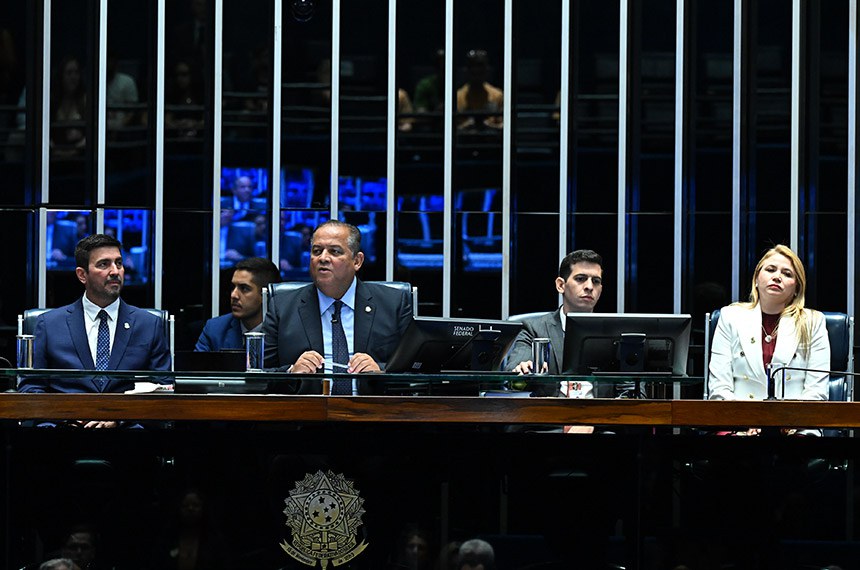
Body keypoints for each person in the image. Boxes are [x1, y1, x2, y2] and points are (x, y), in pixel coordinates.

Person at [262, 220, 413, 393]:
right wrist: (291, 372)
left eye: (334, 251)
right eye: (317, 251)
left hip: (372, 407)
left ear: (357, 261)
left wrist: (381, 372)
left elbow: (415, 371)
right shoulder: (282, 306)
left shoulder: (393, 303)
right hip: (307, 407)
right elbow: (257, 374)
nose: (323, 258)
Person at [19, 234, 172, 397]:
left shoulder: (149, 325)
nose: (115, 271)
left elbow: (164, 388)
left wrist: (123, 413)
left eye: (119, 263)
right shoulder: (49, 325)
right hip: (67, 413)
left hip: (128, 413)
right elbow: (31, 388)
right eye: (104, 264)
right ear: (82, 275)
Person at [708, 244, 830, 405]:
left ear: (796, 288)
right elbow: (719, 389)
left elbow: (816, 393)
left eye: (787, 274)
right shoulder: (730, 317)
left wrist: (789, 419)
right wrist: (743, 418)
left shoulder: (813, 322)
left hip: (796, 418)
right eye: (770, 270)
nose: (777, 277)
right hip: (737, 416)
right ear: (756, 279)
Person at [505, 249, 603, 396]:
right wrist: (522, 369)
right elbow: (514, 370)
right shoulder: (534, 329)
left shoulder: (612, 332)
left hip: (602, 409)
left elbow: (629, 385)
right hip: (551, 409)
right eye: (580, 279)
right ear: (560, 285)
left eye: (596, 281)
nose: (589, 286)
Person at [195, 257, 280, 352]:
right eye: (233, 287)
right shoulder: (214, 329)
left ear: (266, 295)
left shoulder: (285, 333)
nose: (233, 295)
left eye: (244, 288)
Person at [456, 49, 503, 130]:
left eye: (480, 66)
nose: (476, 70)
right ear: (467, 70)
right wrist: (466, 126)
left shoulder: (497, 95)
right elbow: (452, 128)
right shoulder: (457, 97)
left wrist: (489, 126)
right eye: (472, 66)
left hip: (490, 136)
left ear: (486, 69)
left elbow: (503, 125)